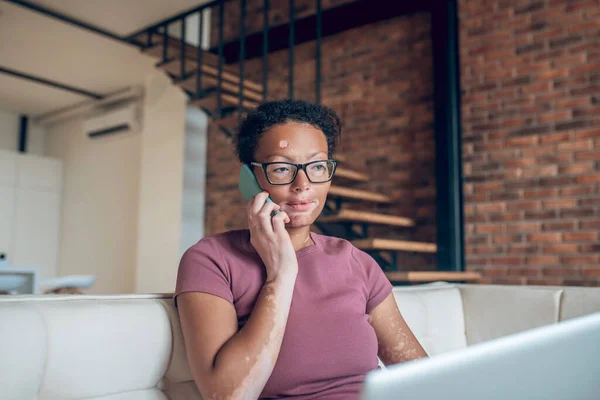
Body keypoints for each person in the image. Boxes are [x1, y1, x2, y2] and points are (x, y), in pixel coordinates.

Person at [174, 99, 427, 400]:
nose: (303, 184)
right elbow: (228, 396)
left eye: (318, 166)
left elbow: (427, 381)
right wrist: (280, 275)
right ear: (249, 179)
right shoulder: (210, 261)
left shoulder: (357, 263)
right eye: (282, 168)